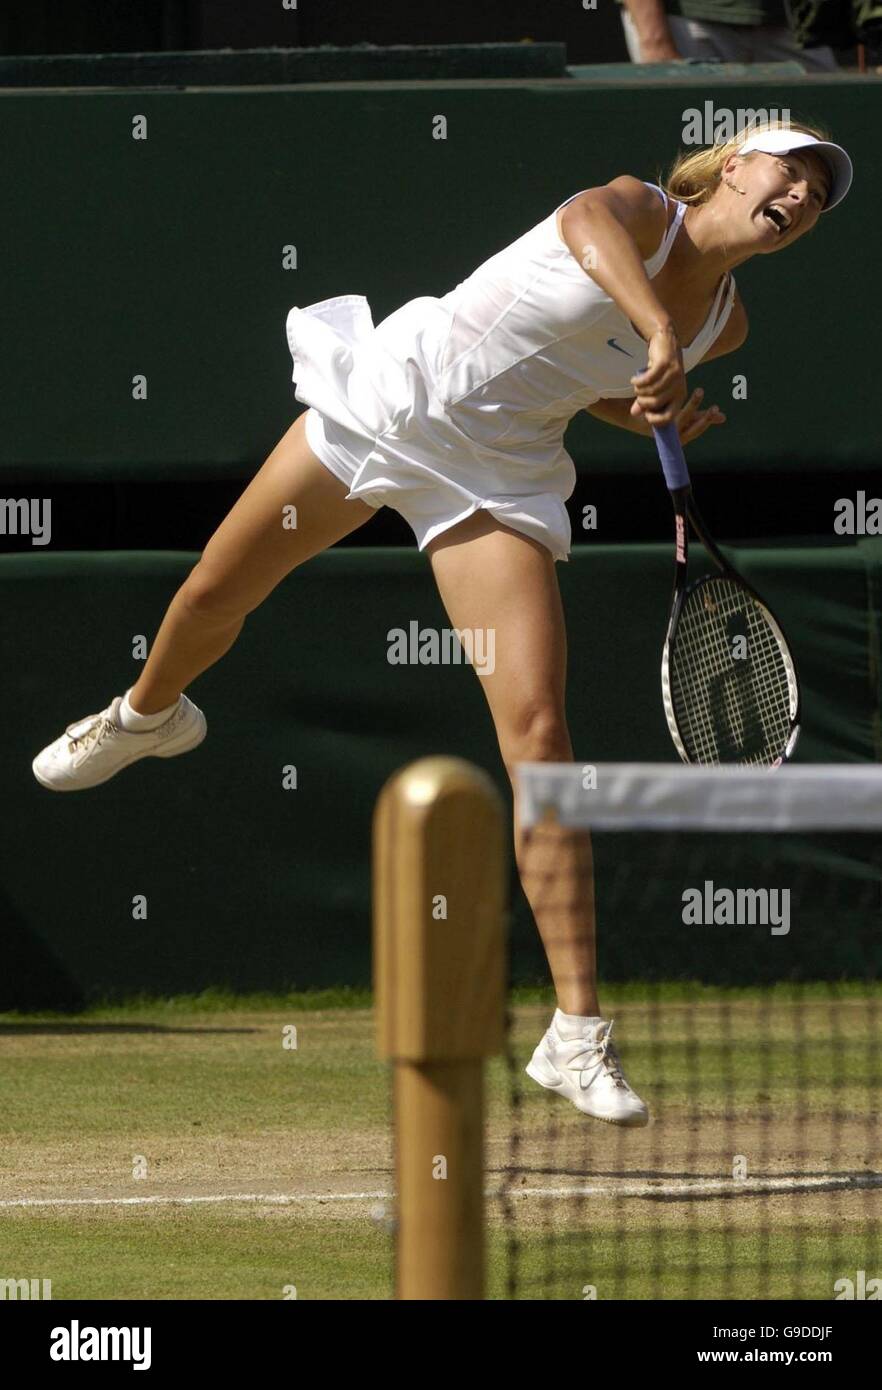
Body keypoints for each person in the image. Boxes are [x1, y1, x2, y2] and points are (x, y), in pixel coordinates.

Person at [32, 122, 853, 1128]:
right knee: (213, 592)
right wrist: (657, 332)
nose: (803, 195)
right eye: (792, 170)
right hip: (394, 400)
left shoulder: (727, 322)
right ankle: (146, 714)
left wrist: (639, 405)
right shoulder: (640, 208)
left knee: (541, 742)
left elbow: (581, 371)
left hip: (496, 478)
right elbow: (583, 224)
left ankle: (577, 1032)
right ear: (734, 166)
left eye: (820, 193)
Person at [617, 0, 840, 69]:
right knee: (686, 150)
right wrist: (656, 42)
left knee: (821, 127)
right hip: (688, 21)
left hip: (790, 21)